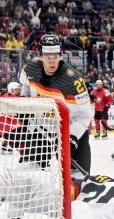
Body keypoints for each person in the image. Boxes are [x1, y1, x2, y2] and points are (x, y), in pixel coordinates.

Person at [19, 33, 92, 172]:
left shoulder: (73, 80)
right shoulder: (31, 68)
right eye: (47, 57)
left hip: (70, 130)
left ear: (61, 56)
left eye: (55, 57)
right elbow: (25, 85)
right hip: (41, 130)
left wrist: (72, 138)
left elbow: (84, 116)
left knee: (79, 182)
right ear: (40, 56)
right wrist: (24, 102)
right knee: (28, 175)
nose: (51, 62)